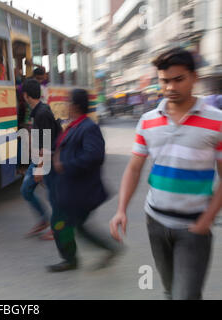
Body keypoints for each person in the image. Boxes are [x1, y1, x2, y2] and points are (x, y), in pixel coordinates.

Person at [110, 48, 222, 300]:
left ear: (194, 77)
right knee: (171, 290)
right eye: (164, 80)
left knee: (186, 295)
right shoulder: (148, 121)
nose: (170, 87)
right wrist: (121, 209)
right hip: (156, 223)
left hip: (194, 227)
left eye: (178, 79)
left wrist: (207, 219)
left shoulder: (217, 121)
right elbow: (134, 168)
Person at [48, 89, 121, 272]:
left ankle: (71, 259)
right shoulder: (74, 125)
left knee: (61, 224)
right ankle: (104, 250)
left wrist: (65, 164)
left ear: (76, 105)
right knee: (76, 226)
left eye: (68, 102)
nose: (65, 105)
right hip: (69, 188)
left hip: (80, 190)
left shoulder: (89, 127)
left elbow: (94, 156)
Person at [20, 79, 61, 239]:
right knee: (26, 190)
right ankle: (44, 220)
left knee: (52, 196)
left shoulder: (42, 113)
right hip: (39, 158)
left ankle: (57, 228)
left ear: (25, 95)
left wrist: (40, 168)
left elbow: (48, 144)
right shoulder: (37, 111)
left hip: (48, 159)